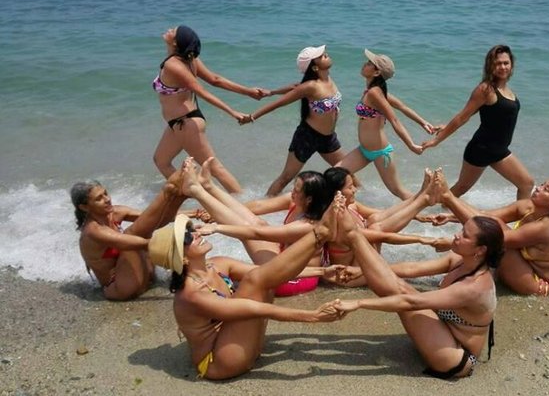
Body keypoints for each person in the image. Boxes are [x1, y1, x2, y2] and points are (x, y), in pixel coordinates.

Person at [148, 191, 345, 380]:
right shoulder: (190, 294)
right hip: (218, 362)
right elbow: (253, 308)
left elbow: (272, 271)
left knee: (261, 277)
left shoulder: (217, 264)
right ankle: (319, 234)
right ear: (180, 258)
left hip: (240, 345)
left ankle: (319, 235)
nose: (196, 234)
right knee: (254, 280)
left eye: (191, 229)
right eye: (188, 237)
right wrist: (312, 316)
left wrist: (322, 271)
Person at [333, 211, 503, 379]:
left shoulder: (475, 287)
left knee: (401, 290)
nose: (457, 235)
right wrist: (360, 270)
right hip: (444, 334)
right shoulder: (459, 261)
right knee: (400, 286)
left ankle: (354, 236)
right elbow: (411, 269)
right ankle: (354, 236)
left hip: (456, 357)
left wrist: (358, 304)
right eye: (461, 229)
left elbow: (411, 302)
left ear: (481, 250)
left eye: (465, 235)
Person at [152, 25, 279, 194]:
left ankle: (246, 206)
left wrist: (232, 111)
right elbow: (215, 80)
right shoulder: (189, 60)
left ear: (176, 43)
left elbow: (202, 90)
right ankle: (191, 197)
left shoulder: (172, 65)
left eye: (174, 31)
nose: (169, 30)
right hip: (178, 124)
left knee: (214, 168)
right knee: (161, 160)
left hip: (186, 123)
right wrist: (248, 91)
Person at [190, 159, 332, 296]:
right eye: (294, 187)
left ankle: (197, 191)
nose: (292, 192)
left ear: (309, 199)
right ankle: (208, 186)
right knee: (260, 223)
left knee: (248, 234)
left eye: (297, 190)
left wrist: (217, 227)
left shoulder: (308, 226)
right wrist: (218, 211)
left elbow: (256, 233)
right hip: (284, 263)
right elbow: (258, 206)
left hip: (294, 279)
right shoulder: (295, 201)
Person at [421, 171, 549, 296]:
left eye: (546, 189)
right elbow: (486, 215)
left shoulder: (546, 226)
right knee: (489, 231)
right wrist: (450, 217)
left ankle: (447, 197)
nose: (538, 188)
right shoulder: (526, 207)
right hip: (521, 267)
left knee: (497, 240)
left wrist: (450, 200)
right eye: (542, 184)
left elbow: (494, 236)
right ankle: (401, 273)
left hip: (538, 283)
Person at [421, 45, 534, 199]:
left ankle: (521, 221)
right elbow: (463, 116)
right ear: (490, 66)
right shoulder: (486, 89)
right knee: (461, 188)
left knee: (526, 184)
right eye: (497, 63)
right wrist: (436, 140)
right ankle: (432, 206)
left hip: (499, 151)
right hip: (482, 150)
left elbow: (477, 111)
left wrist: (446, 125)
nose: (502, 67)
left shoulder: (508, 91)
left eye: (506, 63)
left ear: (511, 64)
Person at [70, 166, 188, 300]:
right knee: (132, 233)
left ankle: (179, 195)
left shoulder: (114, 213)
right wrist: (175, 244)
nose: (107, 199)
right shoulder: (93, 230)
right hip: (121, 288)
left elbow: (155, 218)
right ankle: (168, 191)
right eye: (99, 198)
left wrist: (196, 213)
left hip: (144, 278)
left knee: (146, 225)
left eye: (106, 193)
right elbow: (136, 243)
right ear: (84, 207)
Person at [243, 45, 345, 196]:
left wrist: (272, 92)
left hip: (328, 139)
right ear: (315, 67)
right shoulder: (311, 86)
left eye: (324, 54)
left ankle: (358, 207)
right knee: (286, 178)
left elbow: (295, 86)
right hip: (307, 137)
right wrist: (252, 117)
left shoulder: (327, 78)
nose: (326, 54)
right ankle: (264, 207)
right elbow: (279, 103)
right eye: (321, 56)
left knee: (347, 174)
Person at [335, 49, 435, 199]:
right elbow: (403, 107)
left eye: (369, 63)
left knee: (398, 191)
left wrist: (411, 145)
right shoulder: (375, 92)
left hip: (380, 153)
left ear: (376, 73)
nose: (365, 64)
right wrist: (423, 122)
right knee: (334, 176)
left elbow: (394, 119)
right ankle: (345, 209)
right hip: (363, 151)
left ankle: (426, 207)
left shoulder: (375, 93)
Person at [321, 167, 451, 277]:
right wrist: (424, 240)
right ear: (336, 193)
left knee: (374, 219)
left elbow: (384, 214)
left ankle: (421, 197)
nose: (355, 189)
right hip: (351, 275)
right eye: (350, 187)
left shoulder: (349, 206)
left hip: (361, 261)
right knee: (376, 228)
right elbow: (384, 236)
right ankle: (424, 200)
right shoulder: (338, 220)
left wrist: (417, 216)